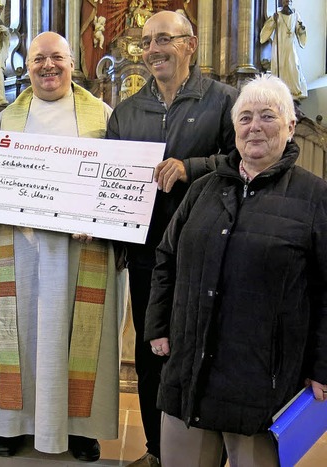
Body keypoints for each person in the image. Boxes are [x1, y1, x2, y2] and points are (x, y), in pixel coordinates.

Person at [145, 74, 327, 466]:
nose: (254, 127)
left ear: (291, 126)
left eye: (267, 116)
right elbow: (167, 258)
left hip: (261, 380)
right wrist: (159, 325)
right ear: (234, 127)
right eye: (245, 117)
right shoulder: (203, 189)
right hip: (189, 370)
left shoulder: (315, 197)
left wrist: (322, 366)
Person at [0, 31, 126, 462]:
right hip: (17, 250)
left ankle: (80, 428)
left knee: (82, 338)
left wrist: (102, 217)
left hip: (81, 253)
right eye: (39, 59)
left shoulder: (103, 117)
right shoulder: (3, 121)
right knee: (12, 336)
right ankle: (9, 424)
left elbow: (120, 180)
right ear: (27, 66)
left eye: (57, 58)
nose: (48, 66)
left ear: (73, 63)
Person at [106, 10, 238, 467]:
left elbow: (245, 163)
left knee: (206, 351)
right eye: (147, 42)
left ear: (191, 44)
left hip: (208, 255)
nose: (154, 49)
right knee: (151, 354)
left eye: (164, 38)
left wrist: (192, 167)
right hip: (147, 258)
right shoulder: (125, 112)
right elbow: (111, 184)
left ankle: (207, 454)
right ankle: (158, 451)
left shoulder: (225, 101)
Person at [259, 0, 307, 100]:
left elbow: (300, 30)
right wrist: (273, 21)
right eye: (285, 0)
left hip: (290, 45)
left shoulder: (295, 15)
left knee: (293, 65)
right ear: (282, 2)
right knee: (279, 66)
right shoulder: (277, 15)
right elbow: (267, 30)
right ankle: (278, 89)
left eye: (289, 0)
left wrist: (302, 28)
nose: (287, 2)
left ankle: (294, 91)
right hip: (279, 45)